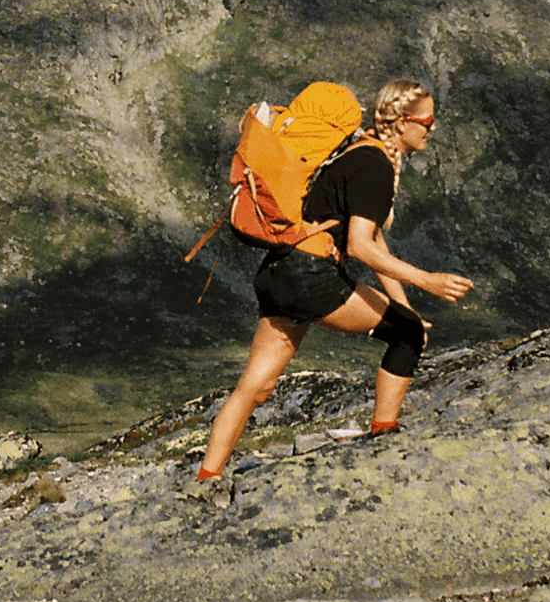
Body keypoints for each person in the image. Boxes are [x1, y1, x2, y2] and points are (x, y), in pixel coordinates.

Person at [196, 78, 474, 480]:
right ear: (402, 123)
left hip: (279, 270)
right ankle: (384, 440)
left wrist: (404, 305)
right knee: (408, 335)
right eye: (428, 122)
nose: (432, 129)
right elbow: (361, 247)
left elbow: (374, 242)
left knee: (256, 387)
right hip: (311, 276)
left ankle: (207, 480)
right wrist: (427, 281)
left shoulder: (356, 151)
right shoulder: (375, 165)